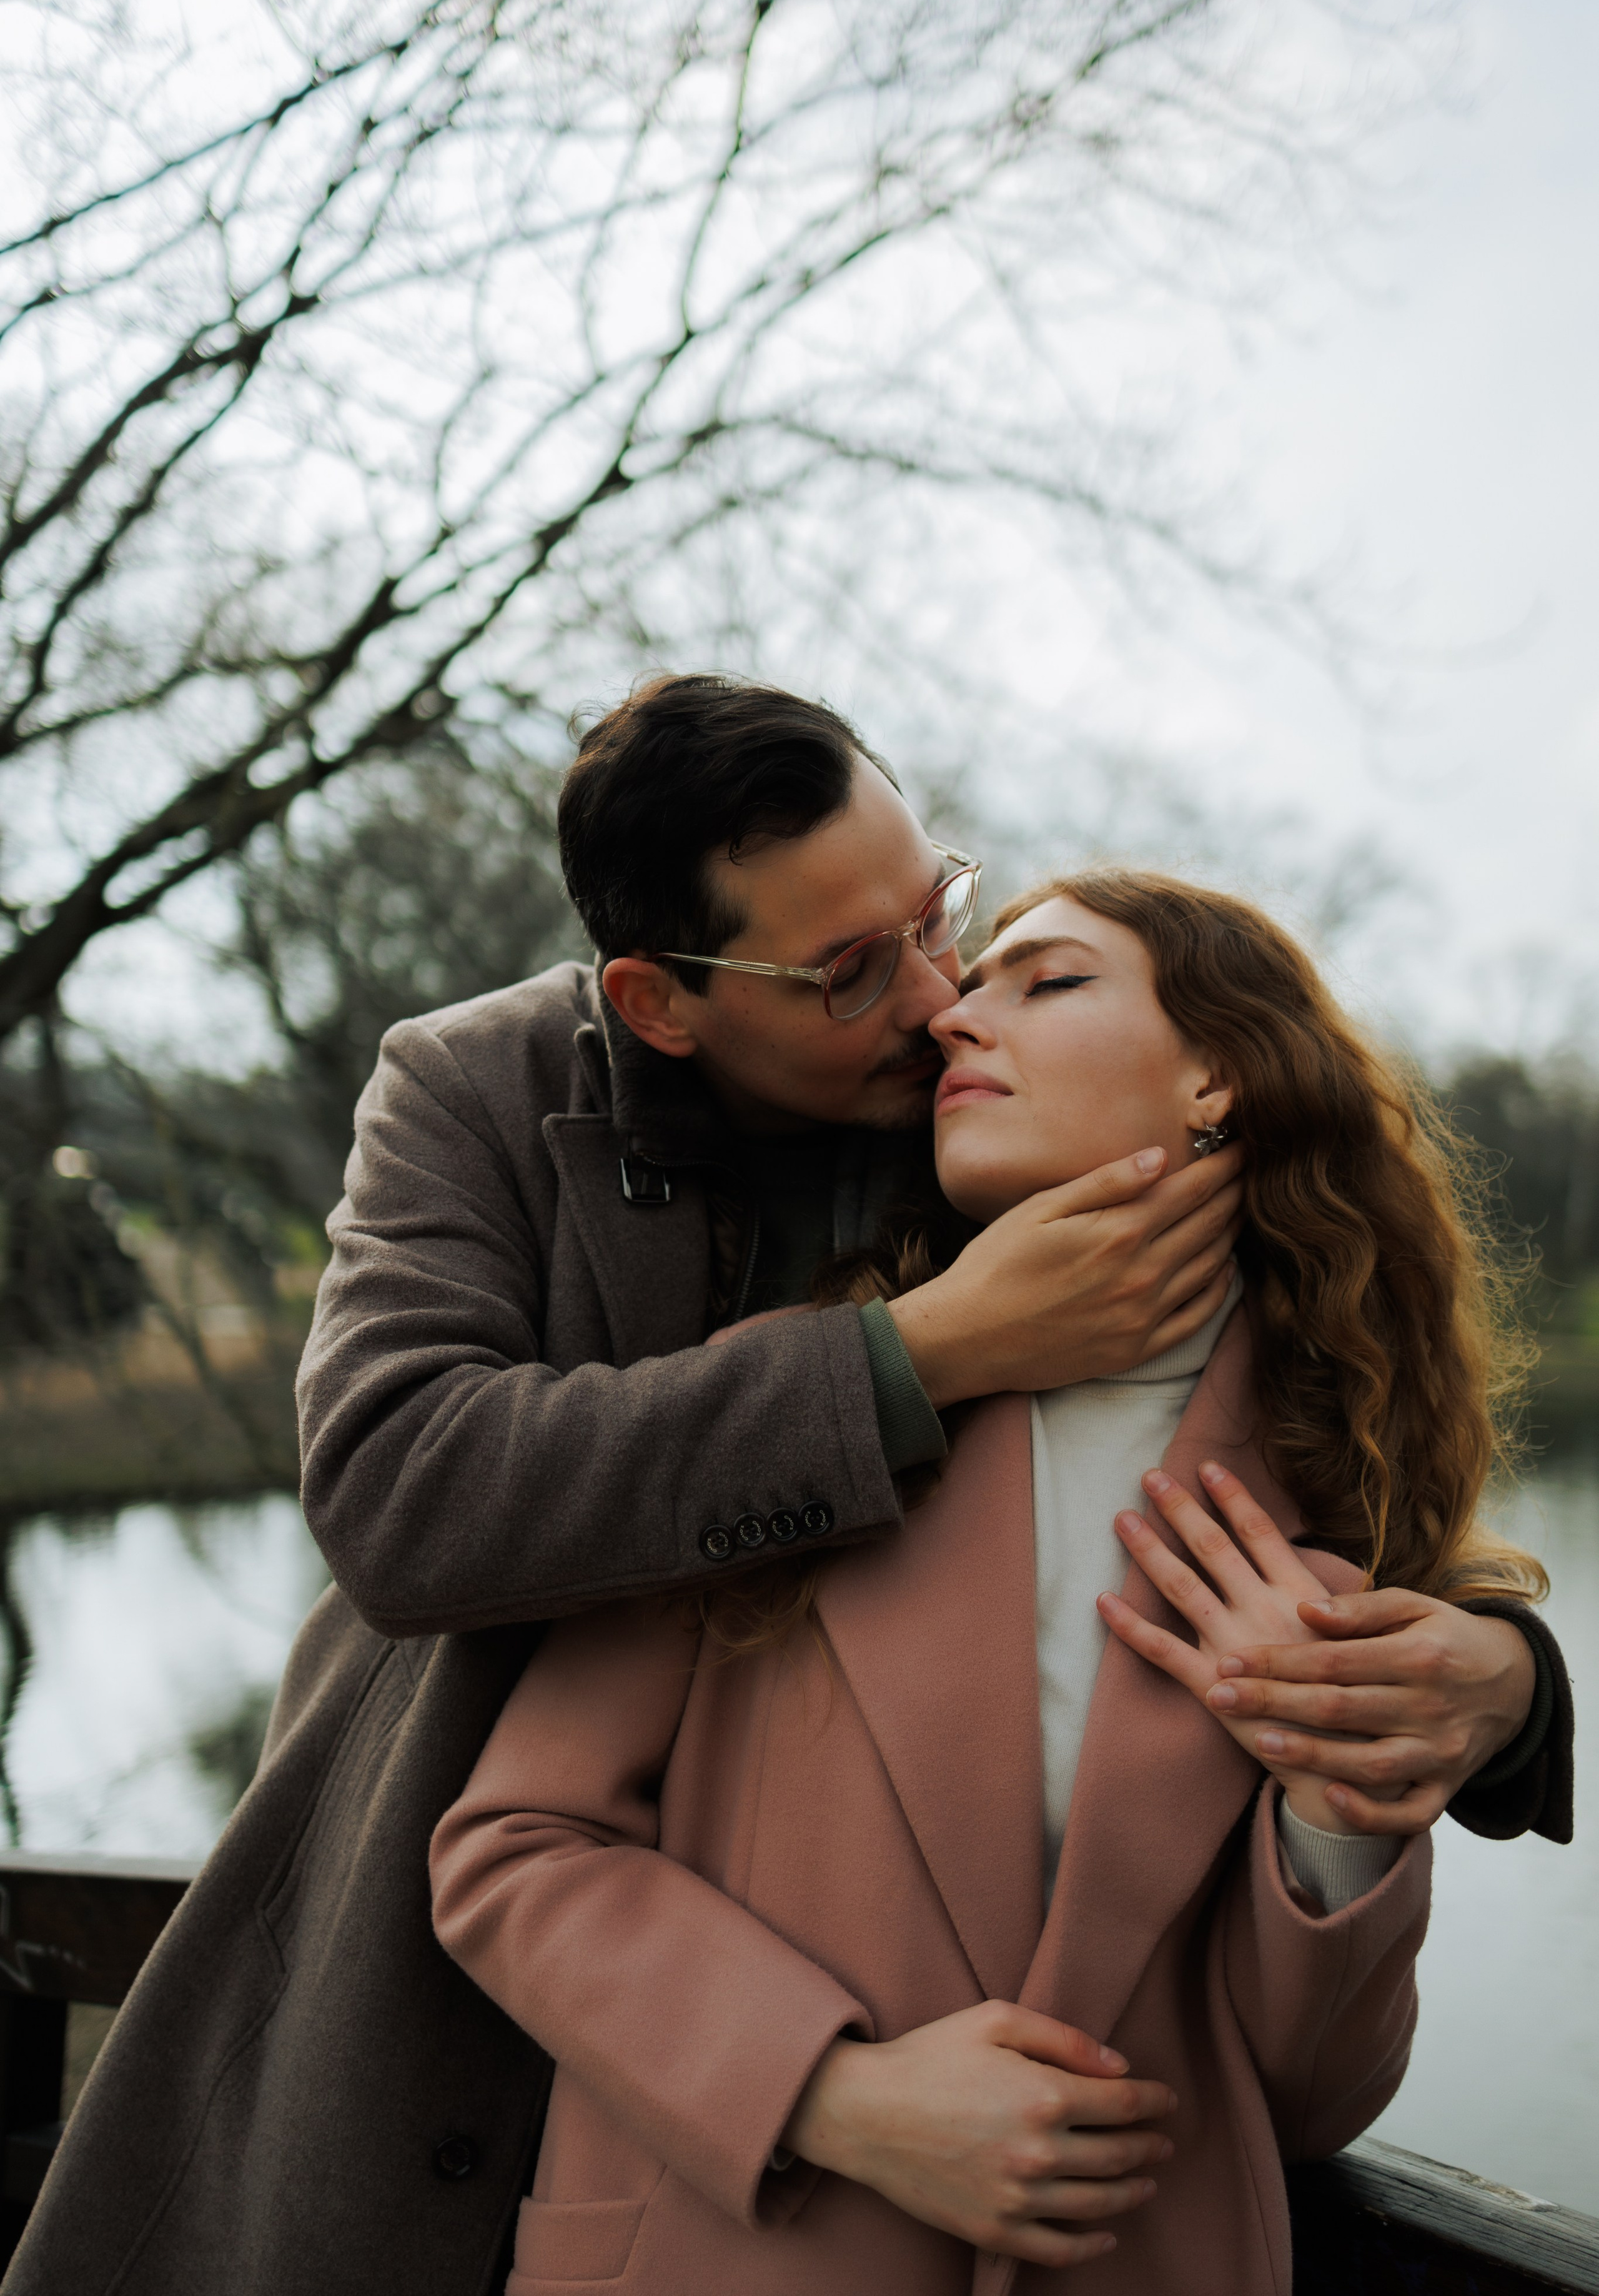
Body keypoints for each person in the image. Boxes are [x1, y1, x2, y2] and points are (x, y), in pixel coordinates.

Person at [9, 683, 1568, 2296]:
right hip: (489, 2053)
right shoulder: (476, 1093)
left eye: (938, 916)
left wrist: (1501, 1688)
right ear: (661, 1003)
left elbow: (1303, 1445)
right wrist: (918, 1357)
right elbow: (405, 1494)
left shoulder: (987, 1107)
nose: (942, 998)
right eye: (849, 972)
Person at [430, 868, 1563, 2296]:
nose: (959, 1015)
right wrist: (830, 2094)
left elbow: (1305, 2103)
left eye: (1050, 979)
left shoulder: (1341, 1494)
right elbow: (512, 1847)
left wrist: (1336, 1823)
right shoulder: (790, 1404)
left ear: (1218, 1074)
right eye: (984, 980)